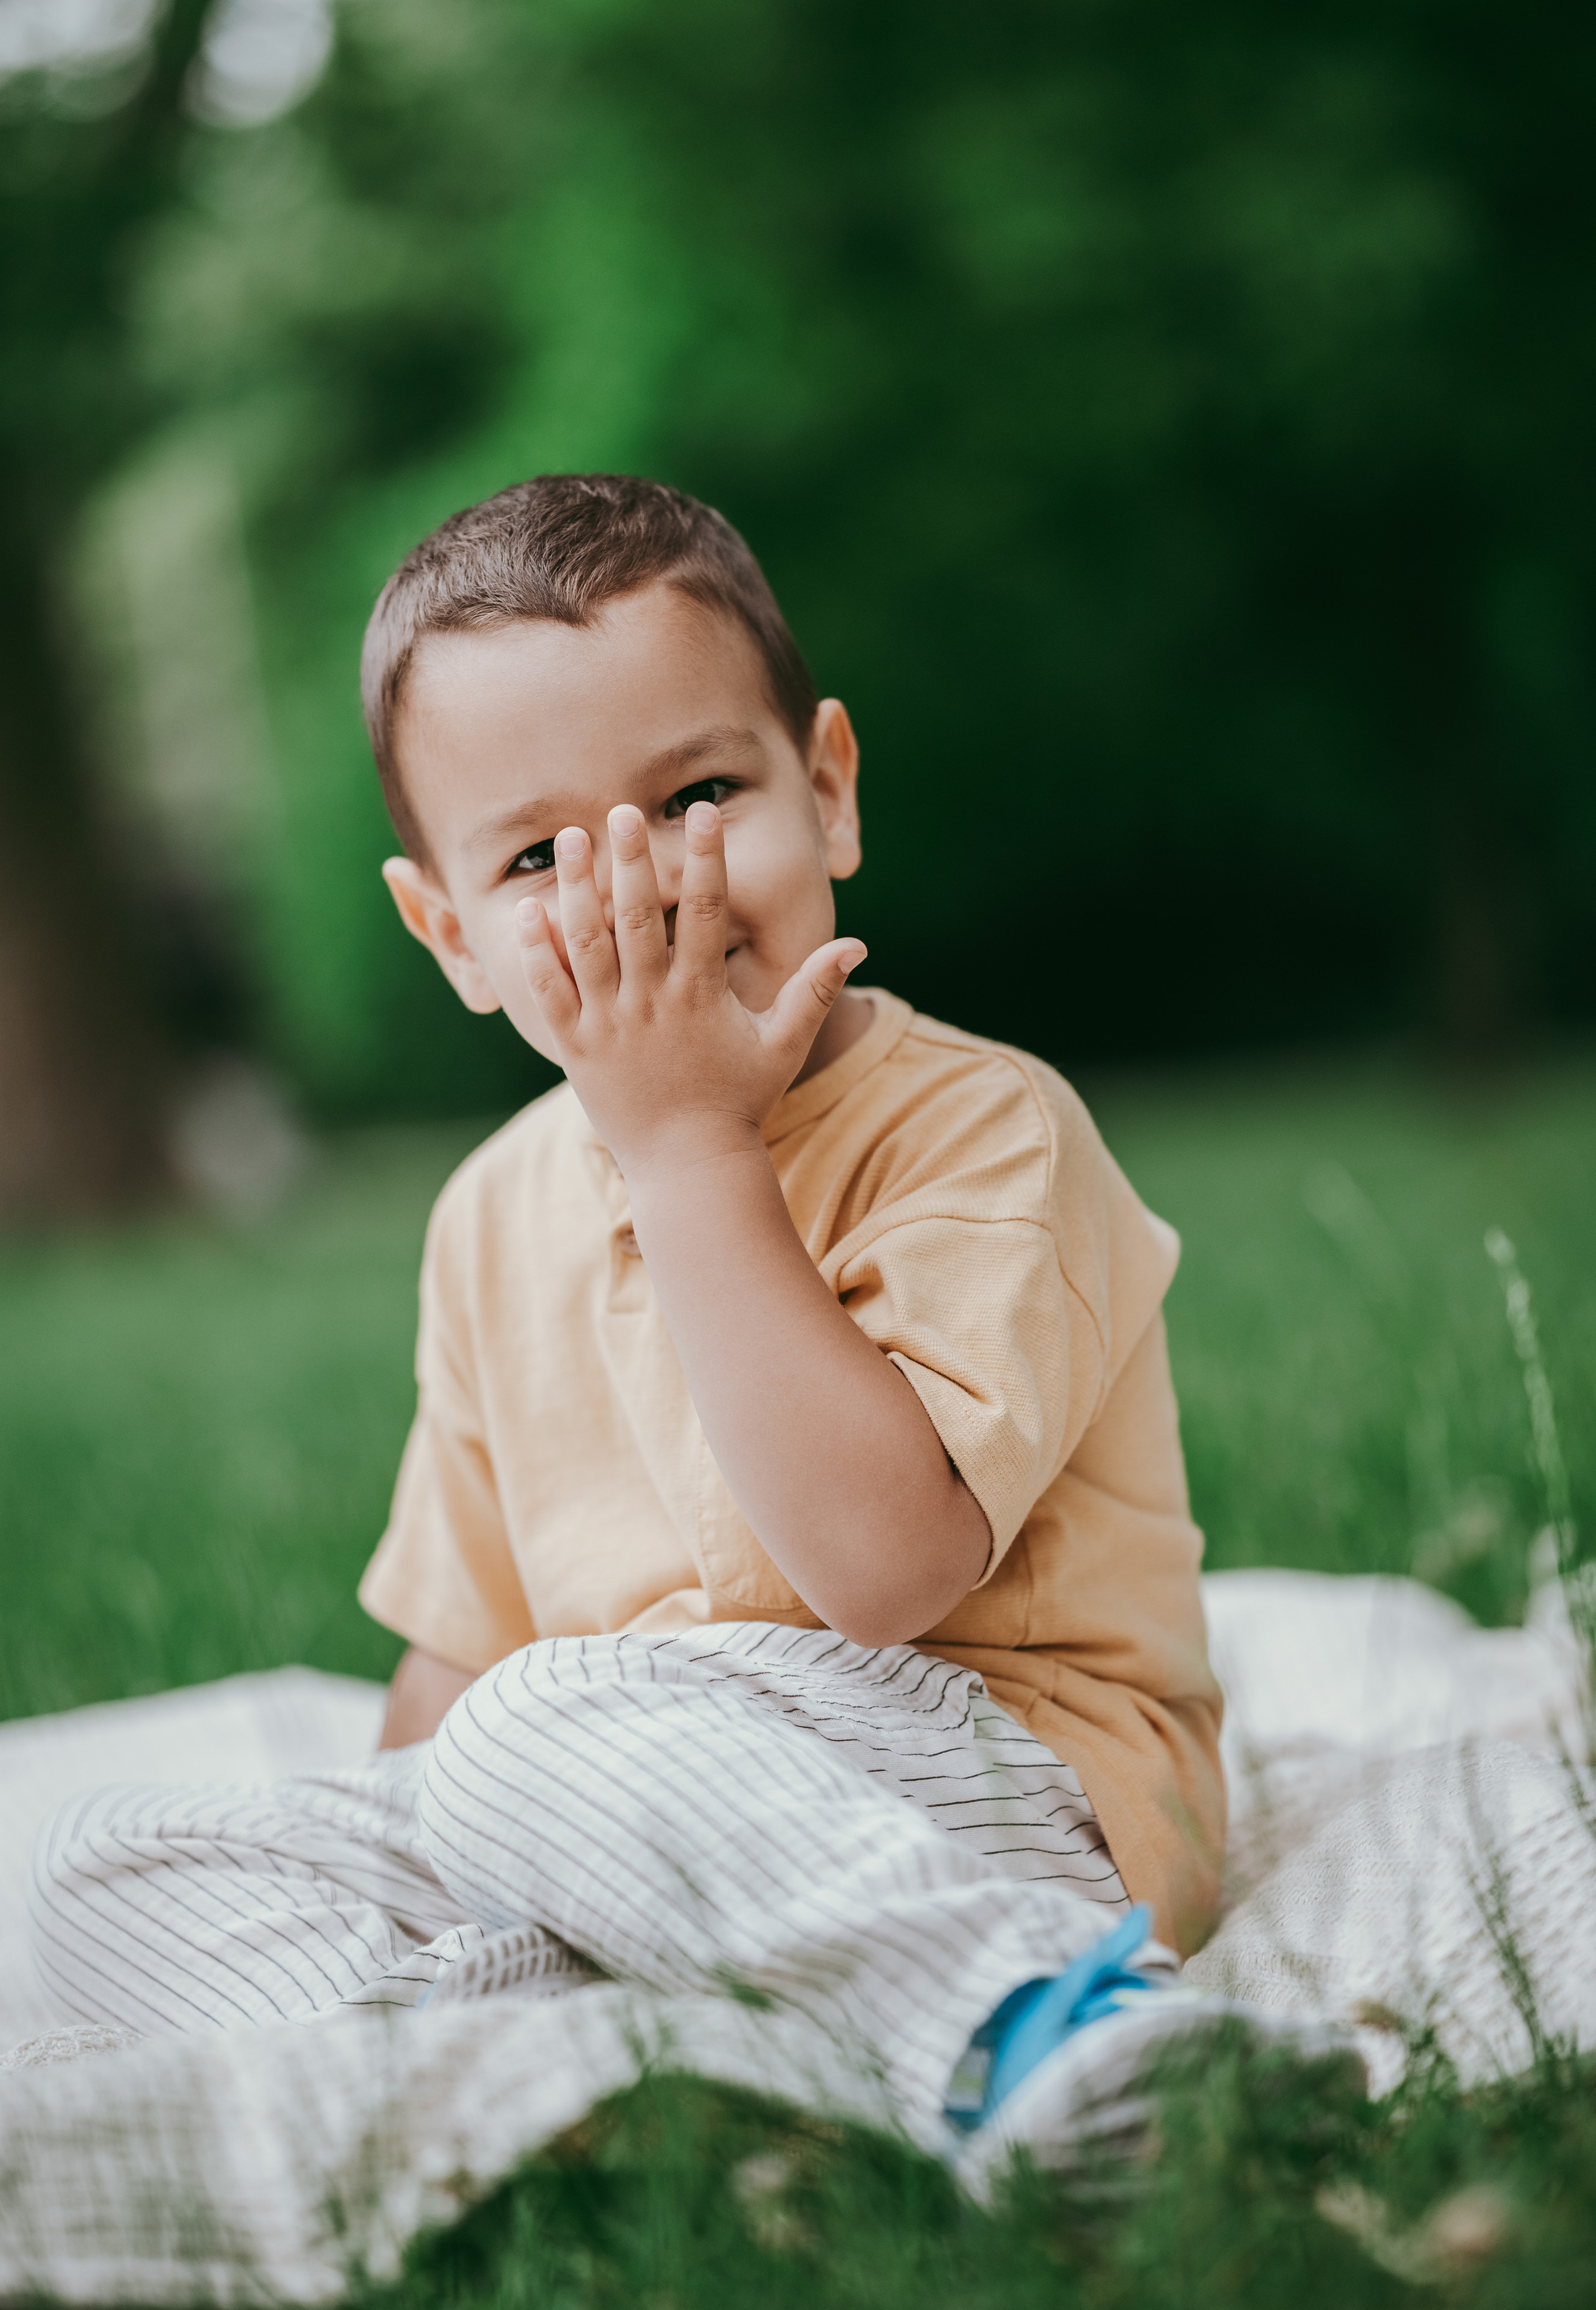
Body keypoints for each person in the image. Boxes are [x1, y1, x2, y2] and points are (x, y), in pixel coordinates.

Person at [31, 475, 1350, 2182]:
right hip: (639, 1807)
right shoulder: (490, 1216)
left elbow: (886, 1571)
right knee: (108, 1868)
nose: (638, 889)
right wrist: (412, 1845)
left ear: (831, 792)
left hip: (1016, 1795)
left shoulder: (984, 1134)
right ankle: (589, 2042)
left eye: (702, 792)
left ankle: (1053, 2030)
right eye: (534, 858)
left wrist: (685, 1147)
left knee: (549, 1727)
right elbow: (459, 1650)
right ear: (452, 939)